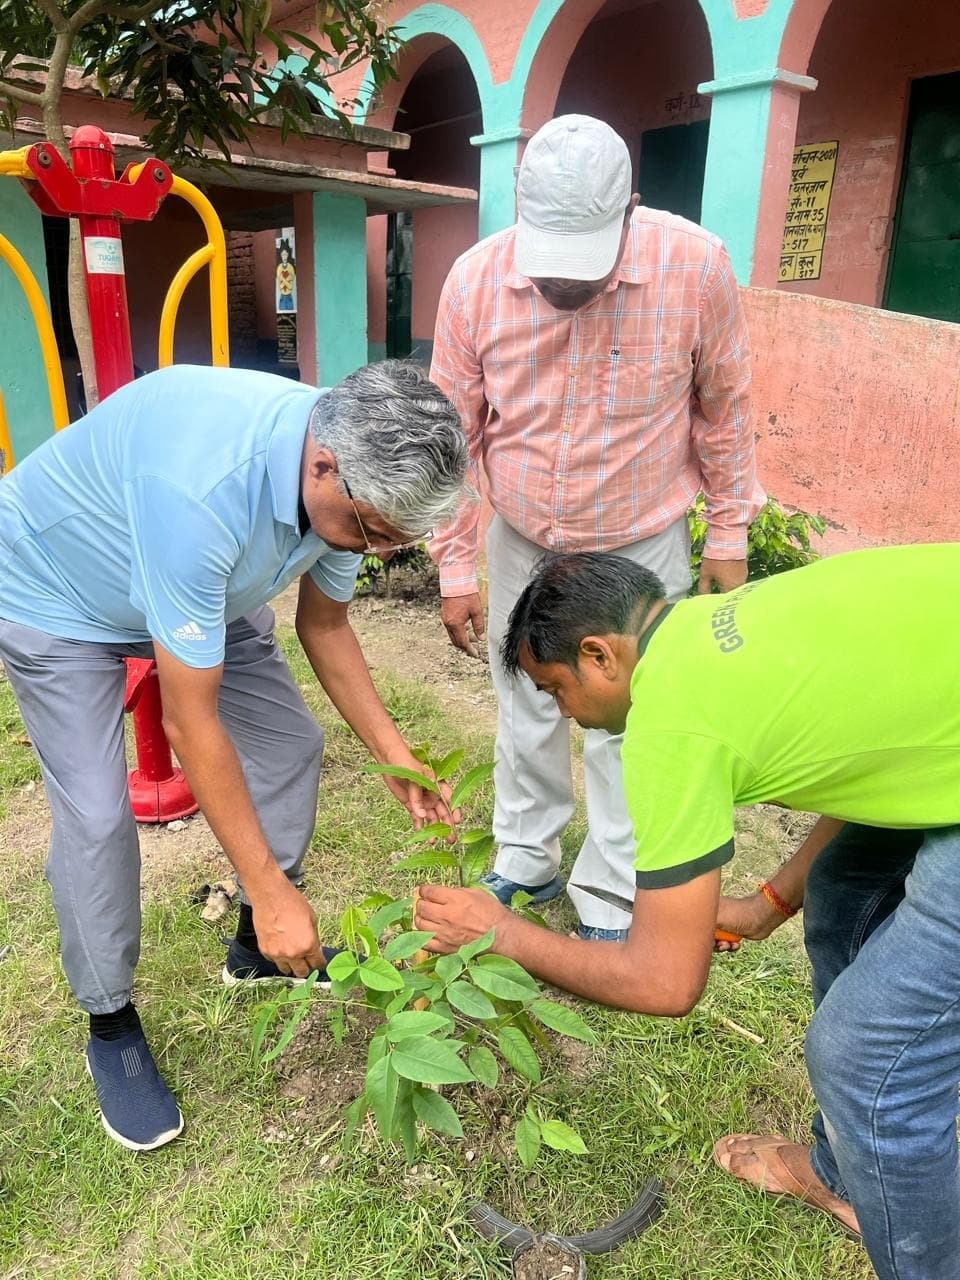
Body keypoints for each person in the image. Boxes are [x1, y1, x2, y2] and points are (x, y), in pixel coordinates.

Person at [415, 544, 960, 1280]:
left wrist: (503, 933)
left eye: (555, 690)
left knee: (863, 1059)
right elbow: (871, 759)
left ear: (599, 655)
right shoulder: (722, 621)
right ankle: (844, 1172)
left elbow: (666, 983)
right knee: (846, 890)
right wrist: (768, 905)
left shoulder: (669, 723)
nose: (564, 714)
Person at [0, 360, 468, 1152]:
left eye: (396, 539)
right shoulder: (203, 490)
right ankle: (110, 1022)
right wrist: (272, 884)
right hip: (59, 592)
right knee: (97, 819)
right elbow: (191, 724)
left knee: (292, 744)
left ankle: (254, 949)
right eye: (373, 533)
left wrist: (399, 758)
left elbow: (326, 626)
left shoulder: (352, 481)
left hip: (200, 589)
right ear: (323, 465)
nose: (381, 552)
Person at [428, 113, 763, 941]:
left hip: (638, 537)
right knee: (526, 697)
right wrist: (455, 567)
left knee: (632, 712)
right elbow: (452, 439)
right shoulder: (473, 282)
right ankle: (526, 856)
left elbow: (725, 410)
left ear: (629, 211)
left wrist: (728, 535)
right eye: (549, 264)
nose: (561, 286)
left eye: (583, 263)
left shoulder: (696, 267)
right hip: (523, 534)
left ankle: (613, 885)